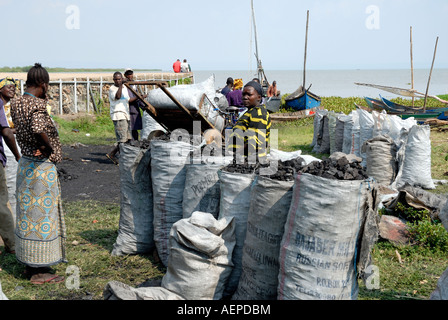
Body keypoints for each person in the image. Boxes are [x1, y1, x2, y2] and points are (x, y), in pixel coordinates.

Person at [10, 63, 66, 284]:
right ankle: (41, 271)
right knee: (42, 216)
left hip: (25, 165)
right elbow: (38, 128)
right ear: (42, 85)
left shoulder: (16, 102)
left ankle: (28, 265)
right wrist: (49, 147)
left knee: (27, 215)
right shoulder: (37, 104)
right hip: (41, 169)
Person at [0, 77, 21, 256]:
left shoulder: (12, 105)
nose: (12, 89)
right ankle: (12, 243)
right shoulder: (1, 106)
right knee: (3, 200)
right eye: (8, 87)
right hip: (7, 149)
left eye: (14, 87)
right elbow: (6, 131)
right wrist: (17, 155)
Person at [228, 80, 271, 163]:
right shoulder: (250, 112)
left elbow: (254, 141)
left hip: (251, 161)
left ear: (258, 97)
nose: (245, 97)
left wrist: (236, 154)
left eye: (249, 94)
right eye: (243, 94)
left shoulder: (259, 113)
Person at [106, 72, 135, 165]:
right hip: (118, 115)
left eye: (119, 79)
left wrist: (139, 97)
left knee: (128, 138)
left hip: (125, 114)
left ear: (122, 78)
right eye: (116, 79)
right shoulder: (112, 89)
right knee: (122, 139)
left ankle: (124, 156)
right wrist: (121, 85)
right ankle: (112, 154)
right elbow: (118, 97)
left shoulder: (125, 88)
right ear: (113, 80)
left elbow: (128, 100)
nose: (118, 81)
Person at [123, 69, 146, 141]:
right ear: (125, 75)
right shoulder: (124, 85)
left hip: (135, 108)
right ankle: (130, 143)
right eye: (128, 74)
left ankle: (135, 143)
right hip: (128, 108)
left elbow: (137, 96)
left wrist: (143, 106)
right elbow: (129, 99)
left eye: (131, 74)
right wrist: (139, 97)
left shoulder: (133, 84)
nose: (130, 76)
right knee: (129, 128)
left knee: (135, 129)